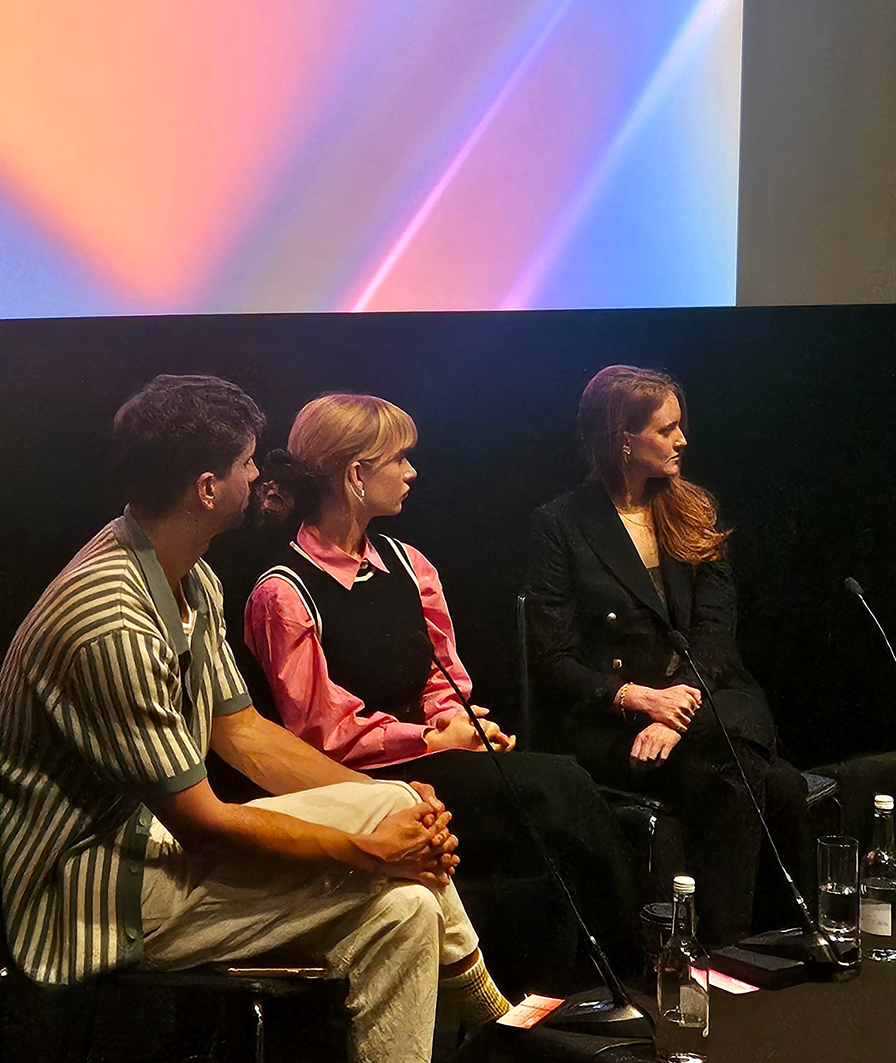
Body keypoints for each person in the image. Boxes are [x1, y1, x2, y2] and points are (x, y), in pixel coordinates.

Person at [0, 375, 508, 1063]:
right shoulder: (113, 624)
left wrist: (392, 809)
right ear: (207, 488)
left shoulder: (189, 577)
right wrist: (368, 845)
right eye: (246, 463)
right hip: (93, 896)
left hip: (155, 850)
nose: (260, 474)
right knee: (392, 844)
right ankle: (495, 1016)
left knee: (406, 902)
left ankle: (487, 1022)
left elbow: (243, 733)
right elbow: (203, 822)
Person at [240, 394, 644, 979]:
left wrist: (461, 726)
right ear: (357, 474)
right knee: (556, 786)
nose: (412, 472)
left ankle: (574, 985)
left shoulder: (408, 564)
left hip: (434, 754)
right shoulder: (283, 592)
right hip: (365, 782)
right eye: (399, 459)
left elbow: (442, 675)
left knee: (556, 802)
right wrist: (434, 740)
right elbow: (323, 732)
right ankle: (638, 967)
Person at [521, 365, 811, 949]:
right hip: (616, 722)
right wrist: (638, 699)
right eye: (666, 429)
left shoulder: (693, 508)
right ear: (622, 439)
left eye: (680, 426)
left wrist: (676, 717)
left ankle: (732, 948)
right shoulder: (561, 525)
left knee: (741, 755)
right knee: (769, 781)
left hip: (703, 702)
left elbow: (715, 633)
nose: (683, 440)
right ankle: (736, 948)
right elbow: (552, 658)